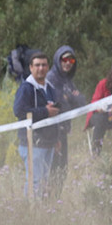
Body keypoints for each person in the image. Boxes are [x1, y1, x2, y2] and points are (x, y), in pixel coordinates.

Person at [12, 52, 60, 198]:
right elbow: (19, 111)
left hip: (48, 143)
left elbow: (54, 114)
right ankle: (30, 214)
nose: (41, 68)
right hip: (31, 143)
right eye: (37, 65)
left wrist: (56, 138)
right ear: (31, 68)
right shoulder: (26, 88)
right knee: (34, 182)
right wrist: (44, 112)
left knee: (44, 182)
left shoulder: (50, 88)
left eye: (44, 65)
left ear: (48, 67)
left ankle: (41, 214)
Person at [46, 46, 87, 192]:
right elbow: (60, 106)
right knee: (53, 171)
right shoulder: (51, 78)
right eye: (64, 59)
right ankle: (47, 205)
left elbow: (82, 102)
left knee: (62, 170)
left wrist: (71, 98)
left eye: (71, 59)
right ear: (58, 59)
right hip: (52, 131)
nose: (68, 63)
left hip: (63, 130)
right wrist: (71, 98)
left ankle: (55, 204)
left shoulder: (67, 80)